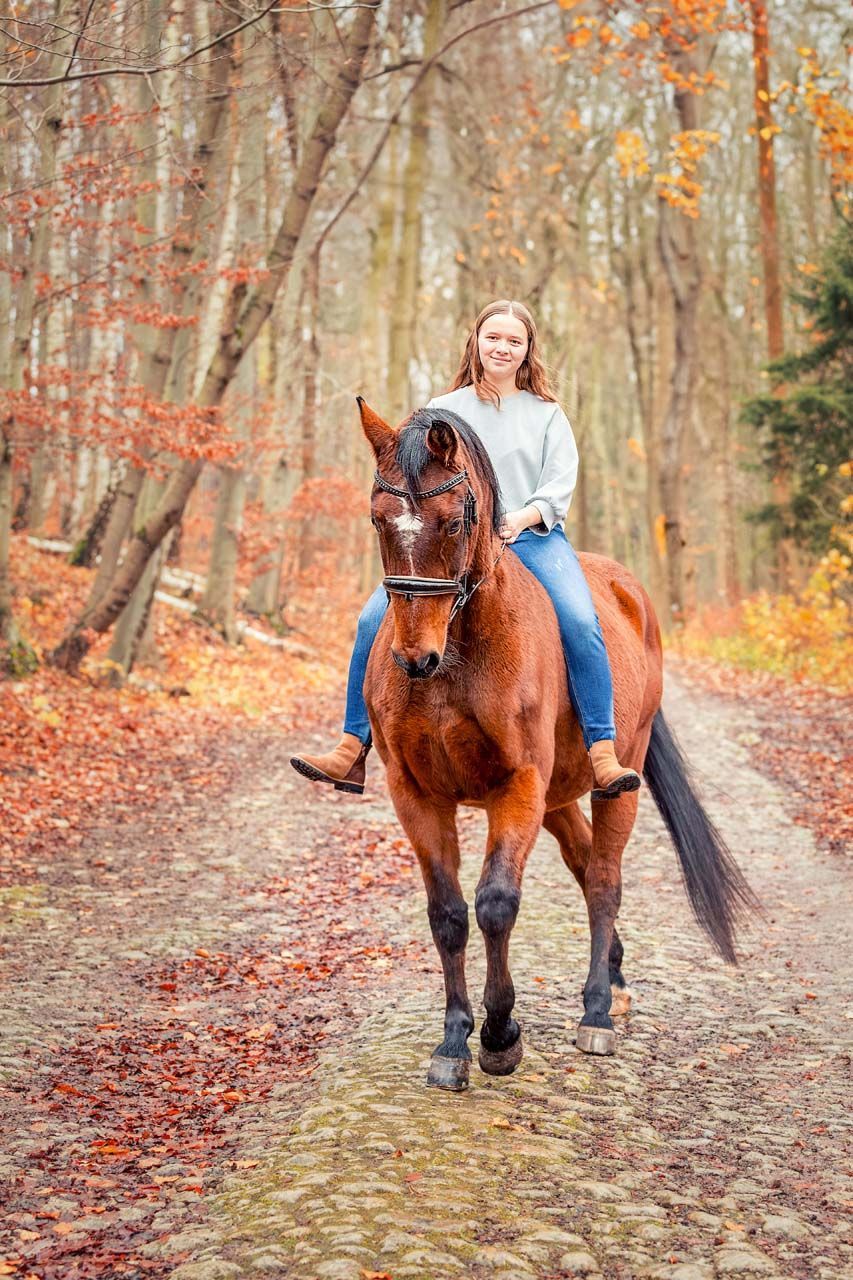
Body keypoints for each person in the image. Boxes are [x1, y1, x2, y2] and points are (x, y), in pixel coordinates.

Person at [290, 298, 642, 801]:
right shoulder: (444, 410)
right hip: (450, 547)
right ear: (476, 341)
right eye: (493, 337)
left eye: (513, 341)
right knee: (371, 620)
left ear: (527, 351)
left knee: (580, 620)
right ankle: (351, 745)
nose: (502, 347)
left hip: (529, 538)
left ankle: (601, 749)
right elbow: (409, 478)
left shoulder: (545, 415)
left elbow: (559, 484)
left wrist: (518, 518)